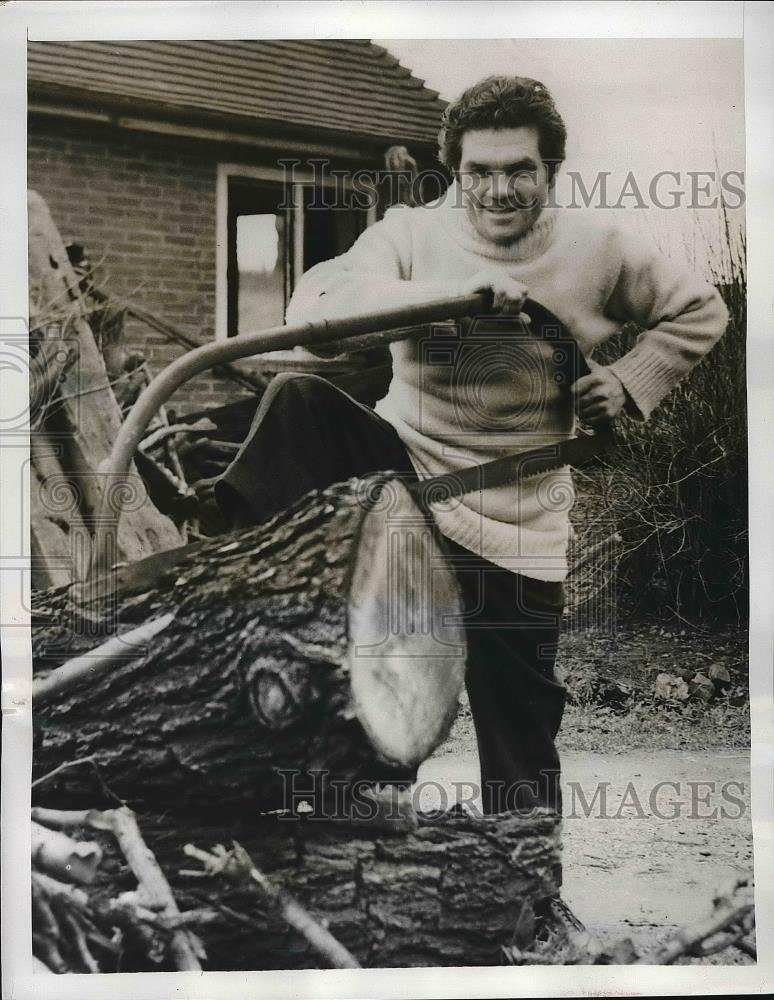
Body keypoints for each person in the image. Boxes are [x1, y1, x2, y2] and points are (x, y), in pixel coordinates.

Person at [216, 76, 728, 816]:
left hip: (518, 517)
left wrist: (626, 380)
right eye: (479, 172)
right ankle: (242, 589)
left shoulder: (599, 248)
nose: (498, 190)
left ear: (551, 169)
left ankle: (525, 874)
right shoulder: (412, 233)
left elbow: (700, 310)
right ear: (454, 171)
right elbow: (316, 307)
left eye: (519, 170)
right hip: (405, 475)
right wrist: (444, 300)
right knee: (298, 403)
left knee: (520, 737)